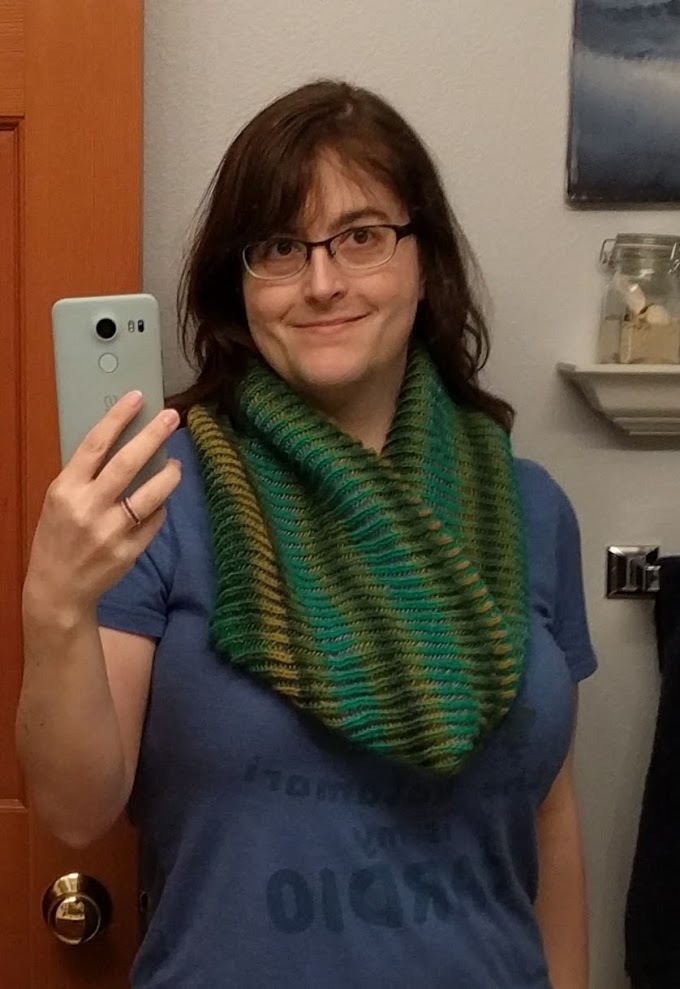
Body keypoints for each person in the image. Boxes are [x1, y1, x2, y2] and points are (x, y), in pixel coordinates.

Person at [17, 80, 596, 989]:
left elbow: (548, 821)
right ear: (238, 283)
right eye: (280, 248)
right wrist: (55, 606)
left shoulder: (530, 508)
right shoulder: (156, 496)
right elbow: (76, 809)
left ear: (425, 262)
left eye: (362, 236)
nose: (322, 283)